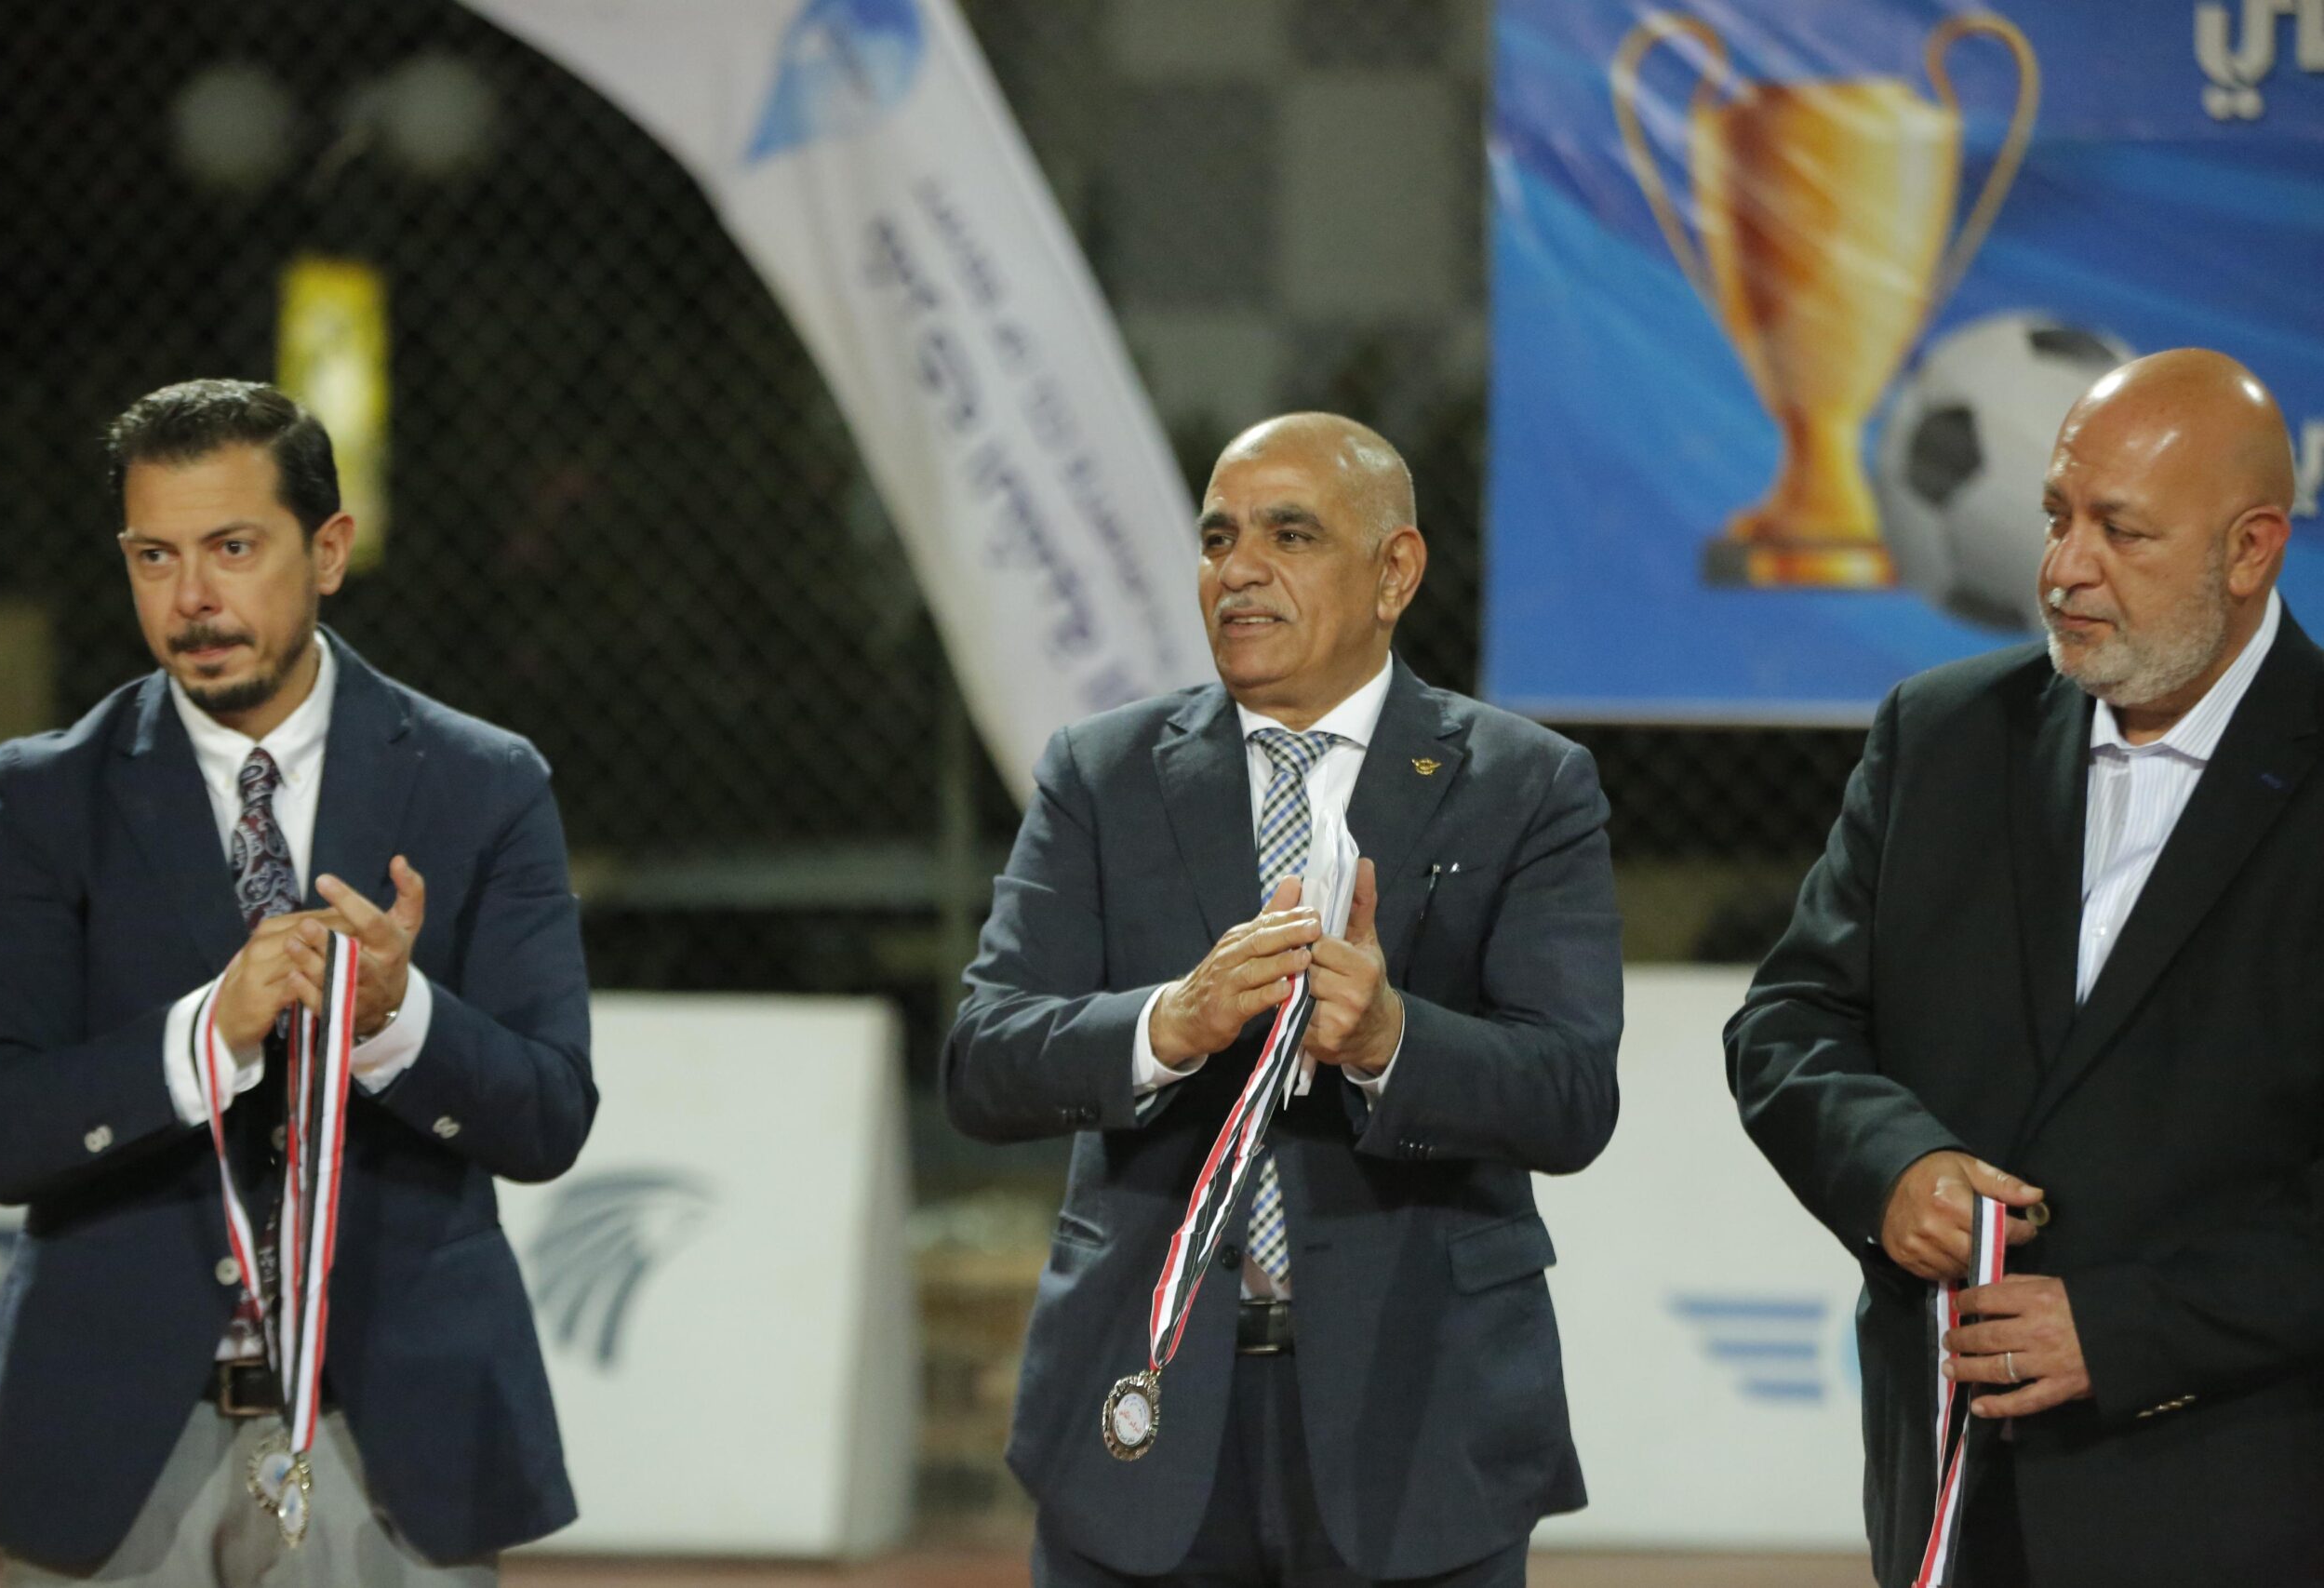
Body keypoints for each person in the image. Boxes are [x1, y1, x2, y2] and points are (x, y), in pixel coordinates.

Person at [944, 412, 1623, 1586]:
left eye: (1290, 535)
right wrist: (1168, 1026)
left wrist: (1390, 1039)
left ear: (1393, 572)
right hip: (1142, 1416)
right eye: (1218, 538)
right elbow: (983, 1062)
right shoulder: (1100, 775)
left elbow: (1568, 1096)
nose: (1239, 569)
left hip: (1418, 1425)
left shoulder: (1523, 785)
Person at [0, 380, 595, 1584]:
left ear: (328, 550)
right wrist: (208, 1030)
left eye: (233, 548)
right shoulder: (39, 797)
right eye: (155, 556)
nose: (192, 597)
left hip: (396, 1439)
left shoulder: (484, 783)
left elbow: (549, 1116)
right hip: (114, 1441)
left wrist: (398, 1020)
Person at [1727, 349, 2324, 1585]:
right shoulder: (1941, 734)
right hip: (1955, 1502)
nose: (2061, 568)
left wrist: (2127, 1328)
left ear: (2251, 550)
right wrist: (1891, 1166)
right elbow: (1791, 1021)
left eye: (2121, 531)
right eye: (2056, 515)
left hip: (2239, 1504)